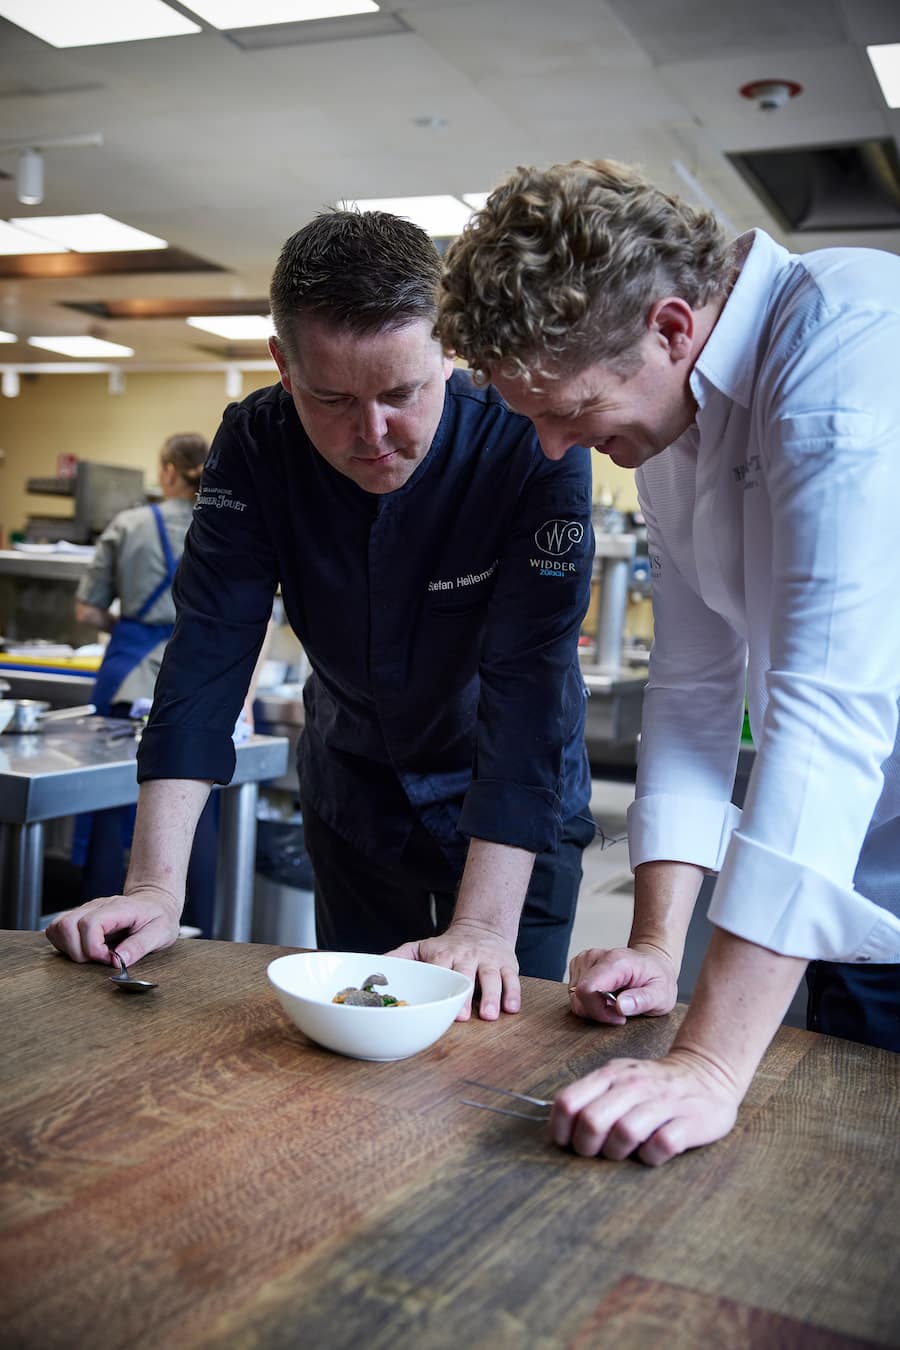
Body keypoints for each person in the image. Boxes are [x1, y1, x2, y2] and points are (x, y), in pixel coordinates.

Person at [436, 157, 900, 1159]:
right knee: (843, 1150)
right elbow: (693, 695)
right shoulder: (671, 425)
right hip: (853, 856)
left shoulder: (844, 340)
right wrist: (657, 946)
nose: (555, 448)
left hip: (854, 810)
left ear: (674, 327)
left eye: (567, 410)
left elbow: (829, 705)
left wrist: (708, 1063)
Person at [46, 209, 596, 1018]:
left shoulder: (528, 440)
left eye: (402, 394)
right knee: (355, 1028)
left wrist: (482, 925)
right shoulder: (257, 444)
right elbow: (209, 652)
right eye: (331, 398)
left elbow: (529, 683)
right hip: (357, 792)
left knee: (494, 1035)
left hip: (515, 801)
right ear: (282, 363)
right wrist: (156, 888)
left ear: (449, 348)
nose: (370, 435)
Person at [72, 433, 219, 935]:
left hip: (126, 673)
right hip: (200, 679)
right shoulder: (226, 524)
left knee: (110, 801)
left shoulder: (128, 525)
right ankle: (194, 924)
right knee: (191, 807)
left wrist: (130, 626)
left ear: (168, 472)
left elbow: (88, 609)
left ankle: (96, 921)